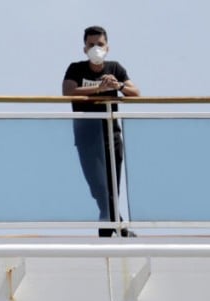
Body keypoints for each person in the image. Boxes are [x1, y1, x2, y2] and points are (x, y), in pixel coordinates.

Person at [62, 26, 140, 237]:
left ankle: (108, 228)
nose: (95, 48)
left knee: (113, 185)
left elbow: (136, 93)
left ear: (107, 47)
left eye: (100, 44)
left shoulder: (115, 68)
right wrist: (99, 88)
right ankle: (117, 225)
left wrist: (119, 85)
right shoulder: (76, 69)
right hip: (86, 135)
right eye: (91, 45)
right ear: (84, 48)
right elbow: (68, 91)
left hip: (111, 134)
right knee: (98, 186)